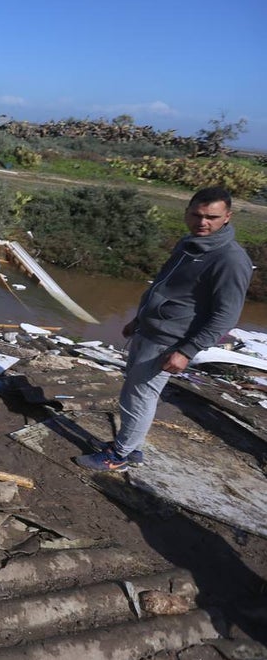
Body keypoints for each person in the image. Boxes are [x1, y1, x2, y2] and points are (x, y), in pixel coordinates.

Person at [77, 186, 252, 472]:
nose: (202, 222)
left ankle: (118, 456)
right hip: (150, 330)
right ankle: (132, 448)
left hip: (170, 341)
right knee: (137, 394)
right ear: (187, 212)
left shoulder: (230, 260)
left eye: (212, 216)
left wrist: (187, 351)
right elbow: (165, 287)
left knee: (138, 397)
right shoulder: (189, 243)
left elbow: (225, 317)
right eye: (196, 214)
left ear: (227, 217)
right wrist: (139, 319)